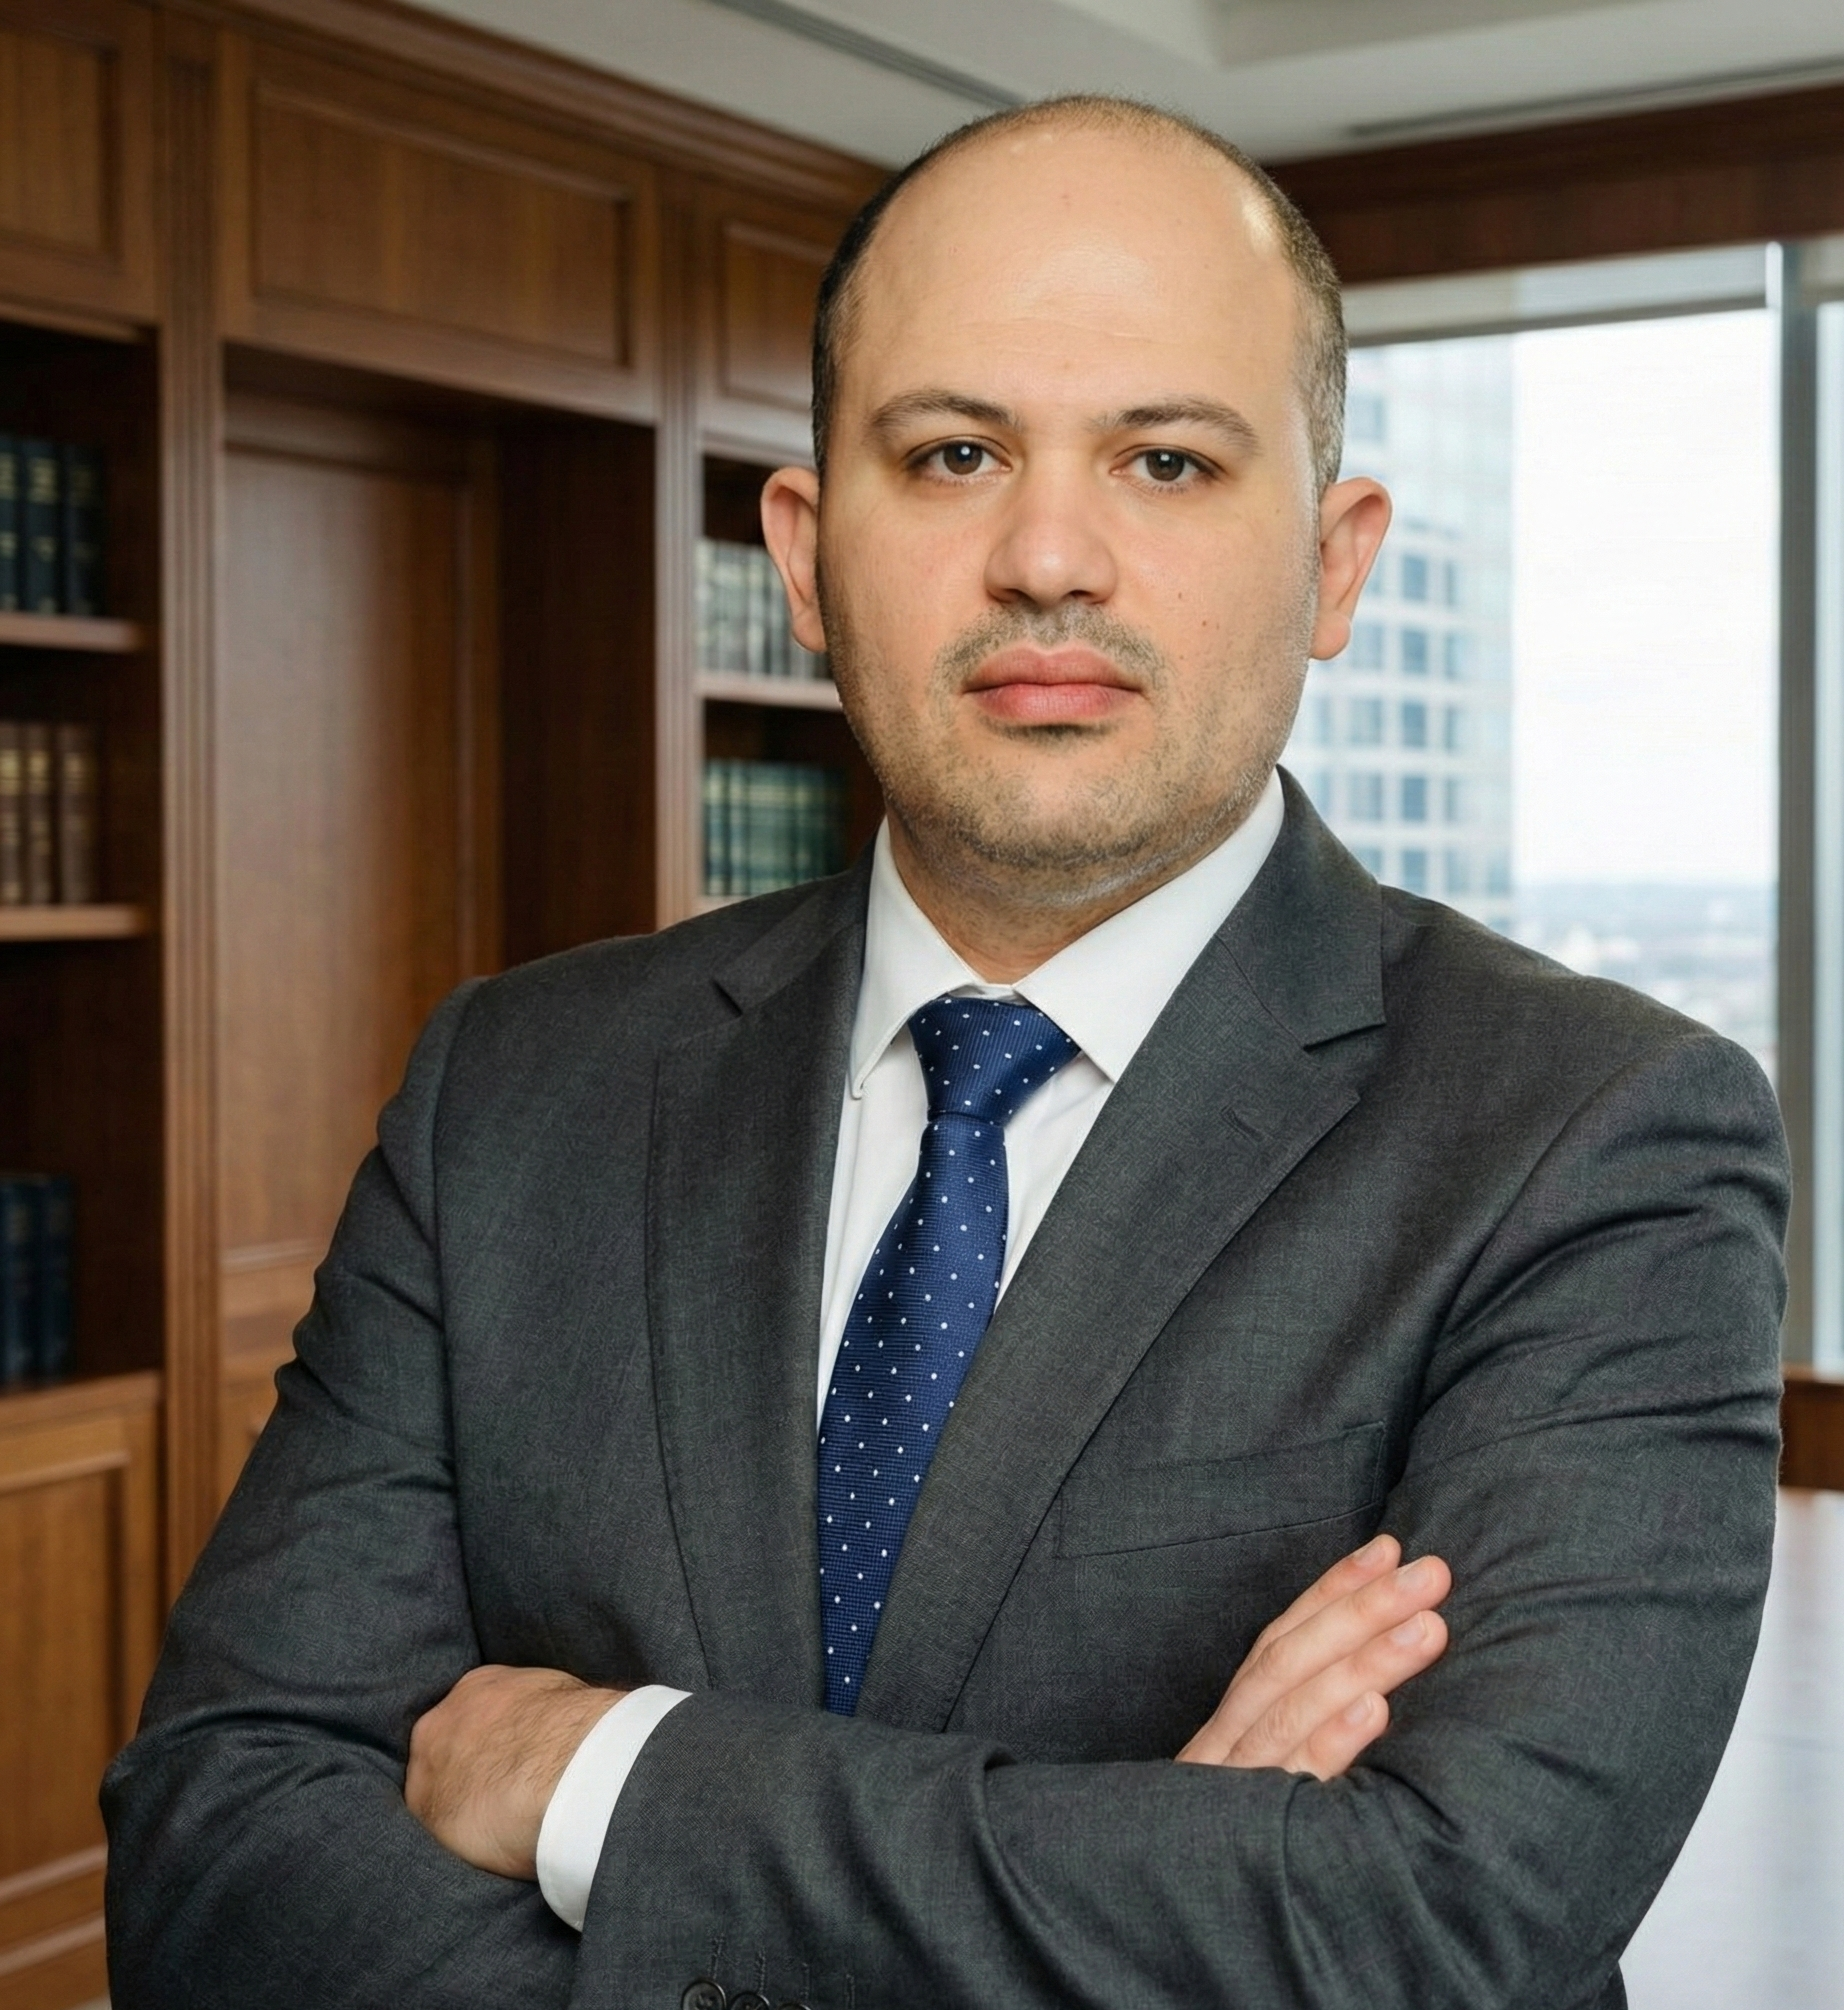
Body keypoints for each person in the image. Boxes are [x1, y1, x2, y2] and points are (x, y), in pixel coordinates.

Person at [103, 96, 1788, 2010]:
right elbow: (214, 1846)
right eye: (957, 450)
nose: (1048, 555)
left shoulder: (1596, 1136)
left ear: (1334, 565)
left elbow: (1433, 1926)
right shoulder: (516, 1087)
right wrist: (1156, 1862)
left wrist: (603, 1776)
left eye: (1165, 459)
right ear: (809, 559)